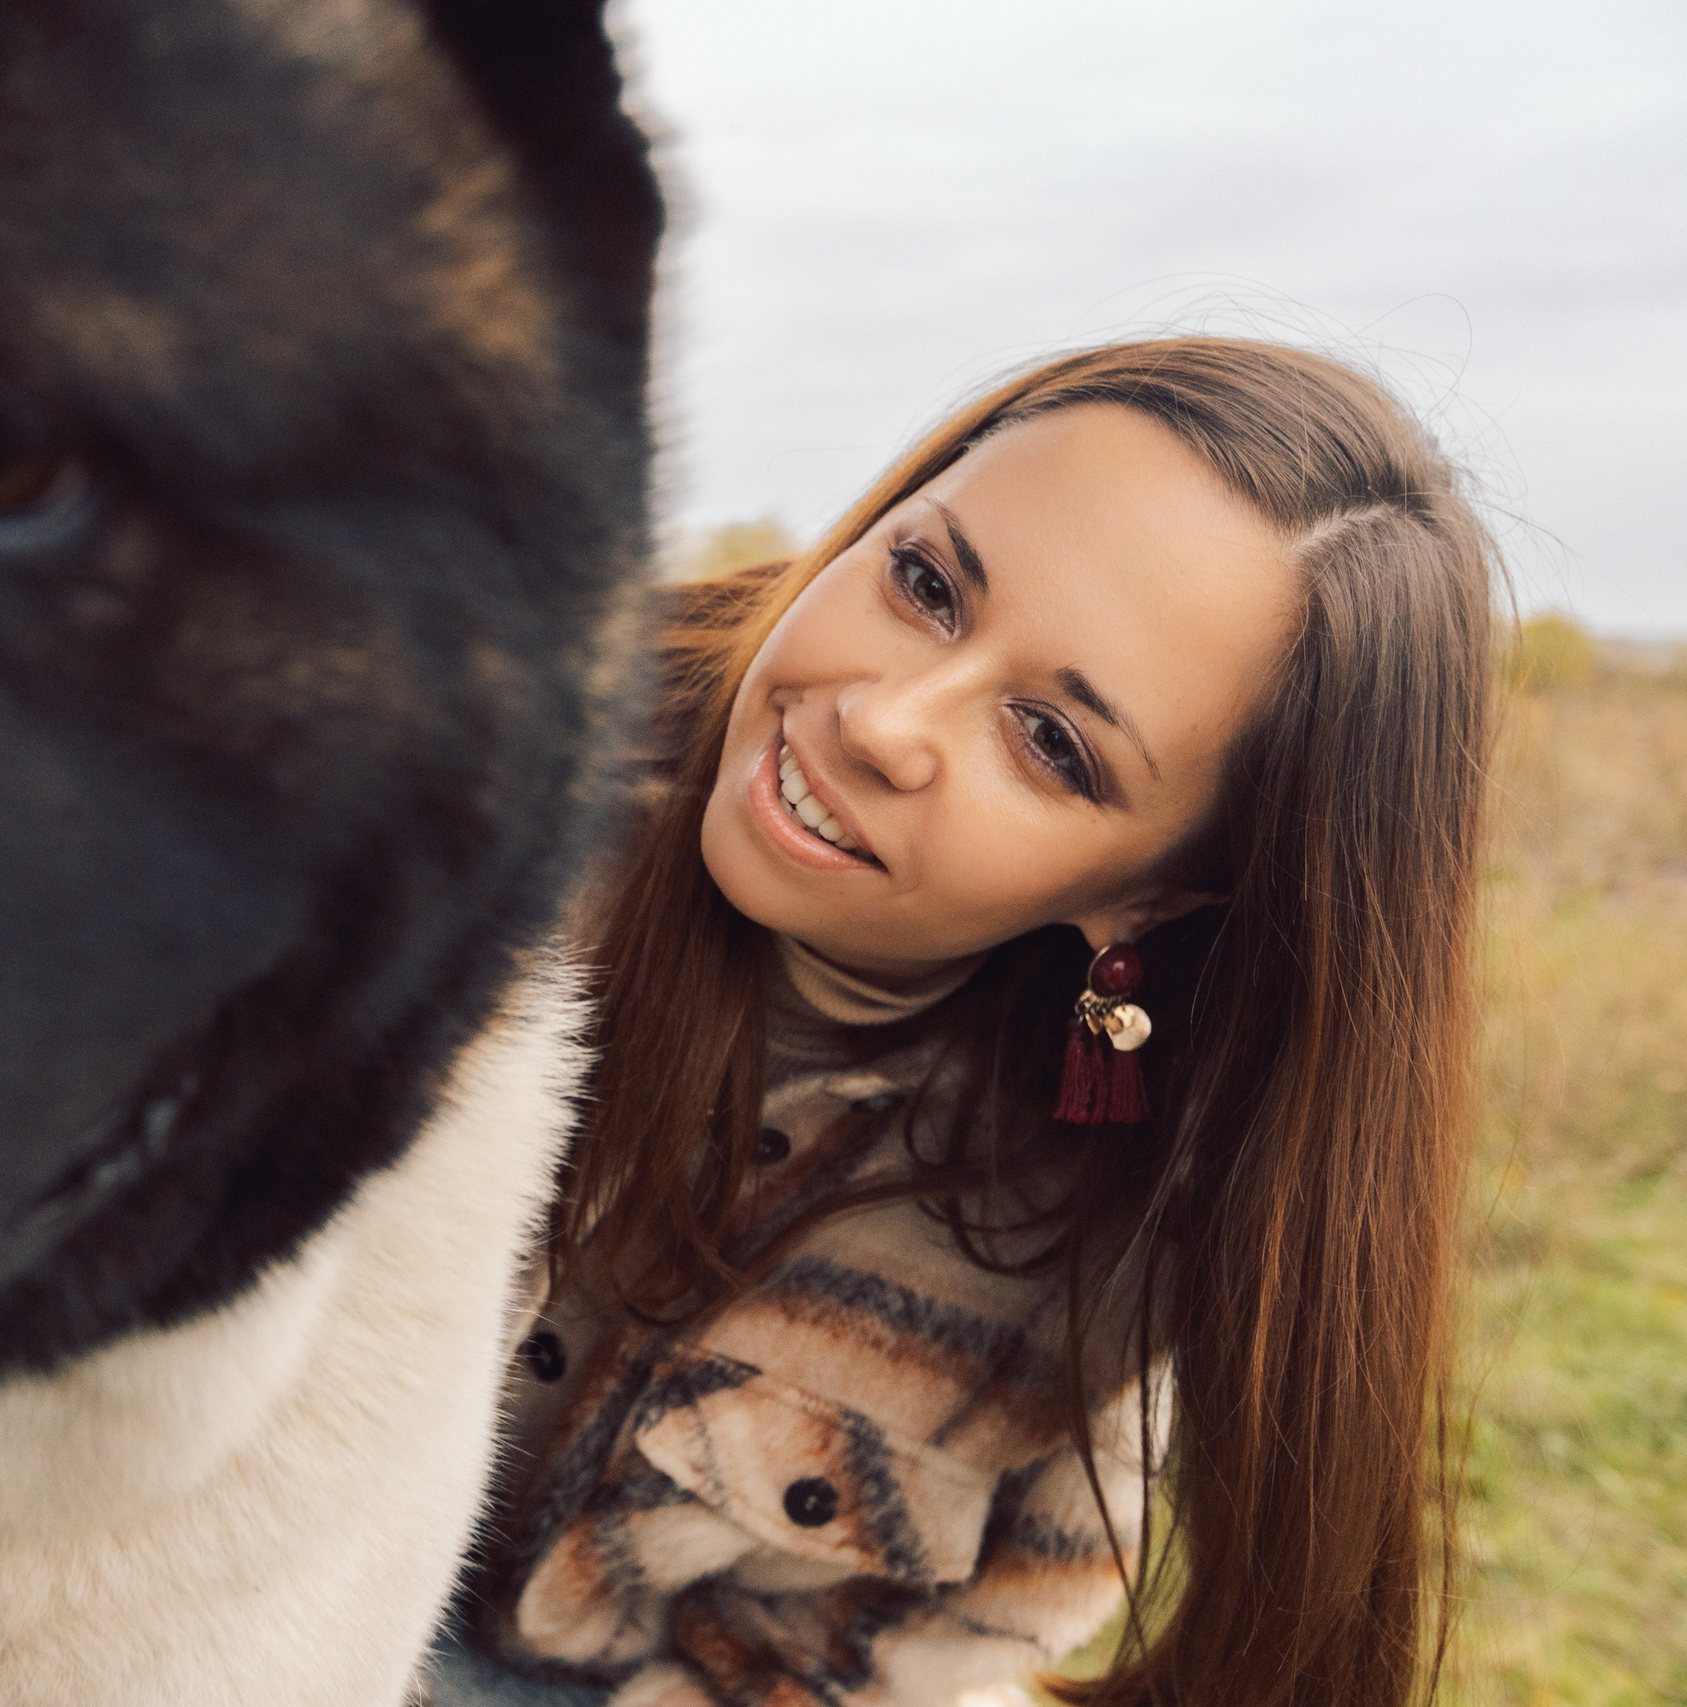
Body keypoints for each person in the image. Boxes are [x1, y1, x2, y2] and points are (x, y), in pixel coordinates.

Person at [440, 339, 1495, 1707]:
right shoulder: (435, 793)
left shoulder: (1118, 1245)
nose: (885, 720)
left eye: (1053, 743)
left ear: (1160, 896)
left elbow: (875, 1675)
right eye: (926, 584)